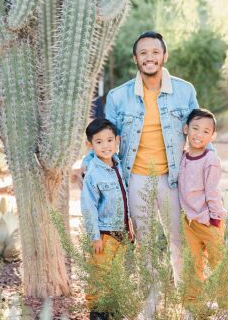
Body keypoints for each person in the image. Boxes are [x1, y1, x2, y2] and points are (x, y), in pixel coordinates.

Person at [81, 31, 207, 317]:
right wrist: (89, 160)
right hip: (135, 178)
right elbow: (105, 137)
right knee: (146, 244)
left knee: (180, 242)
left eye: (155, 52)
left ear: (164, 56)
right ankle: (150, 302)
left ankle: (188, 304)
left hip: (173, 179)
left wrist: (206, 169)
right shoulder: (118, 96)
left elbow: (200, 132)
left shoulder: (185, 91)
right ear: (135, 59)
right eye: (143, 53)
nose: (149, 57)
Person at [80, 118, 132, 320]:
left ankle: (112, 309)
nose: (106, 146)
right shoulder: (94, 172)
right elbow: (88, 206)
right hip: (104, 233)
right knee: (99, 273)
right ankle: (97, 312)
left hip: (121, 232)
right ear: (90, 145)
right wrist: (94, 236)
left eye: (110, 140)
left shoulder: (118, 164)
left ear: (117, 140)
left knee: (115, 274)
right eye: (99, 142)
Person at [178, 108, 226, 301]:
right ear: (185, 129)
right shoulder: (180, 157)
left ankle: (223, 300)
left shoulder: (210, 160)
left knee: (218, 262)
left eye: (206, 131)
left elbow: (212, 192)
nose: (199, 134)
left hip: (209, 221)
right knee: (193, 264)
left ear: (212, 136)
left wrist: (215, 220)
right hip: (189, 223)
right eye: (195, 128)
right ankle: (193, 304)